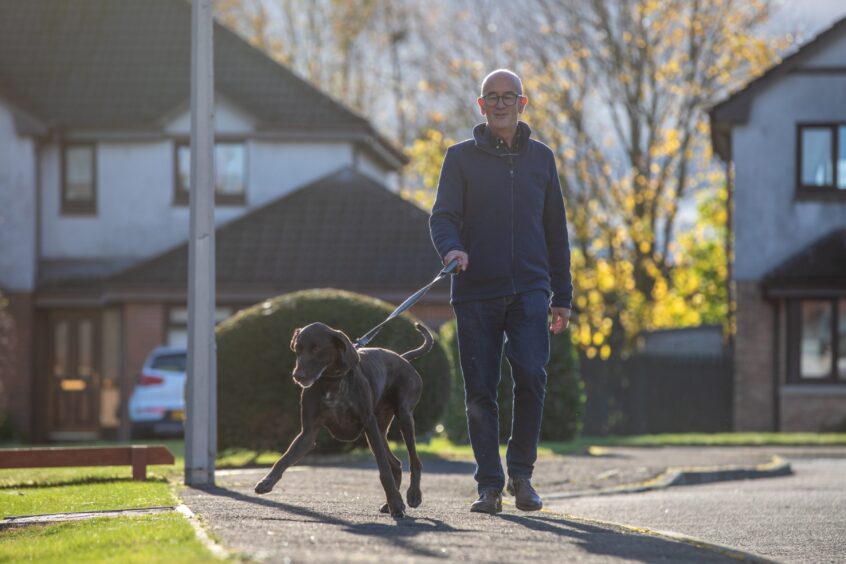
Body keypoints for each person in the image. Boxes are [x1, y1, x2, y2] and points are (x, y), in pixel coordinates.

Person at [429, 69, 573, 514]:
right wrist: (453, 249)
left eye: (509, 96)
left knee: (531, 375)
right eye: (492, 97)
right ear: (481, 105)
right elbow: (442, 217)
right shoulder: (459, 158)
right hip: (475, 291)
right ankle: (489, 485)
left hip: (531, 288)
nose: (501, 103)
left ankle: (522, 477)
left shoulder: (542, 159)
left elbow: (556, 232)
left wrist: (562, 295)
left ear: (523, 104)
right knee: (480, 391)